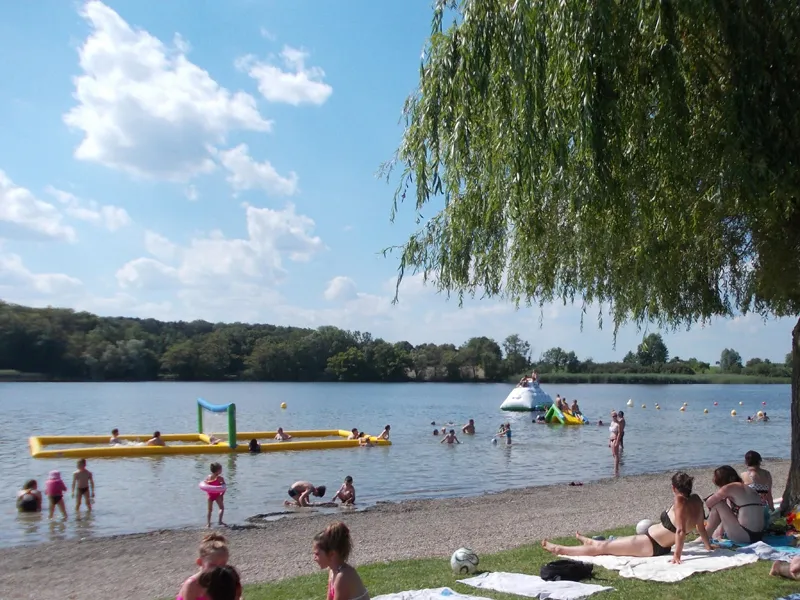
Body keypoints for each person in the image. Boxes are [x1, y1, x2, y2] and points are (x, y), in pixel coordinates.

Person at [542, 472, 712, 563]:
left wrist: (677, 557)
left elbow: (680, 531)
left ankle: (560, 549)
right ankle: (589, 541)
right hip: (655, 543)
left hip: (651, 544)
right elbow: (700, 526)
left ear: (674, 488)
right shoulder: (696, 500)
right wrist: (708, 546)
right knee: (610, 544)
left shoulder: (679, 501)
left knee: (602, 548)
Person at [705, 465, 766, 544]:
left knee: (719, 504)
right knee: (725, 508)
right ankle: (715, 535)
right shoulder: (748, 488)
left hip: (744, 536)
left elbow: (709, 503)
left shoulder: (728, 488)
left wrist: (720, 496)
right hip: (759, 536)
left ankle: (705, 536)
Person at [313, 522, 370, 600]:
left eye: (317, 554)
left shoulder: (343, 577)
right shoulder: (332, 571)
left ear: (331, 554)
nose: (314, 558)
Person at [176, 532, 229, 600]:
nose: (218, 569)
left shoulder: (225, 580)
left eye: (222, 565)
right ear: (200, 562)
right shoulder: (192, 584)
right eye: (212, 565)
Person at [203, 462, 227, 528]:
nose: (222, 470)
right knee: (221, 508)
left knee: (209, 510)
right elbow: (224, 487)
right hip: (217, 495)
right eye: (221, 469)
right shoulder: (220, 478)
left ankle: (208, 524)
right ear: (218, 470)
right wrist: (222, 495)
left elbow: (205, 483)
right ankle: (220, 521)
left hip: (210, 495)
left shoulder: (208, 477)